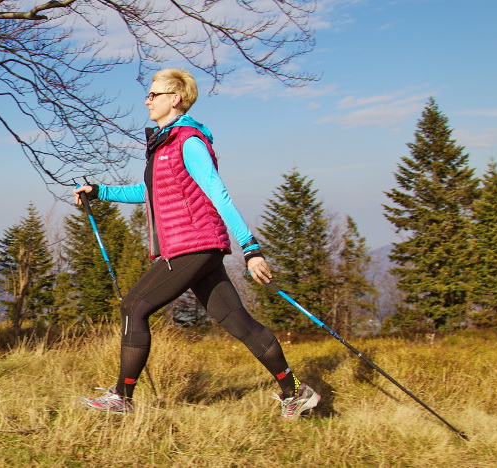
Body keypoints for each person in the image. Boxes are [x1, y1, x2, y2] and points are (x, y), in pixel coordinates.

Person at [73, 68, 320, 419]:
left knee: (134, 306)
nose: (147, 100)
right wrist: (99, 191)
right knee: (238, 322)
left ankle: (122, 398)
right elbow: (149, 193)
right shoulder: (163, 144)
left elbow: (218, 194)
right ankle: (295, 392)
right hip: (198, 246)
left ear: (174, 99)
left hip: (193, 244)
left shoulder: (187, 140)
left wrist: (251, 249)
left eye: (153, 94)